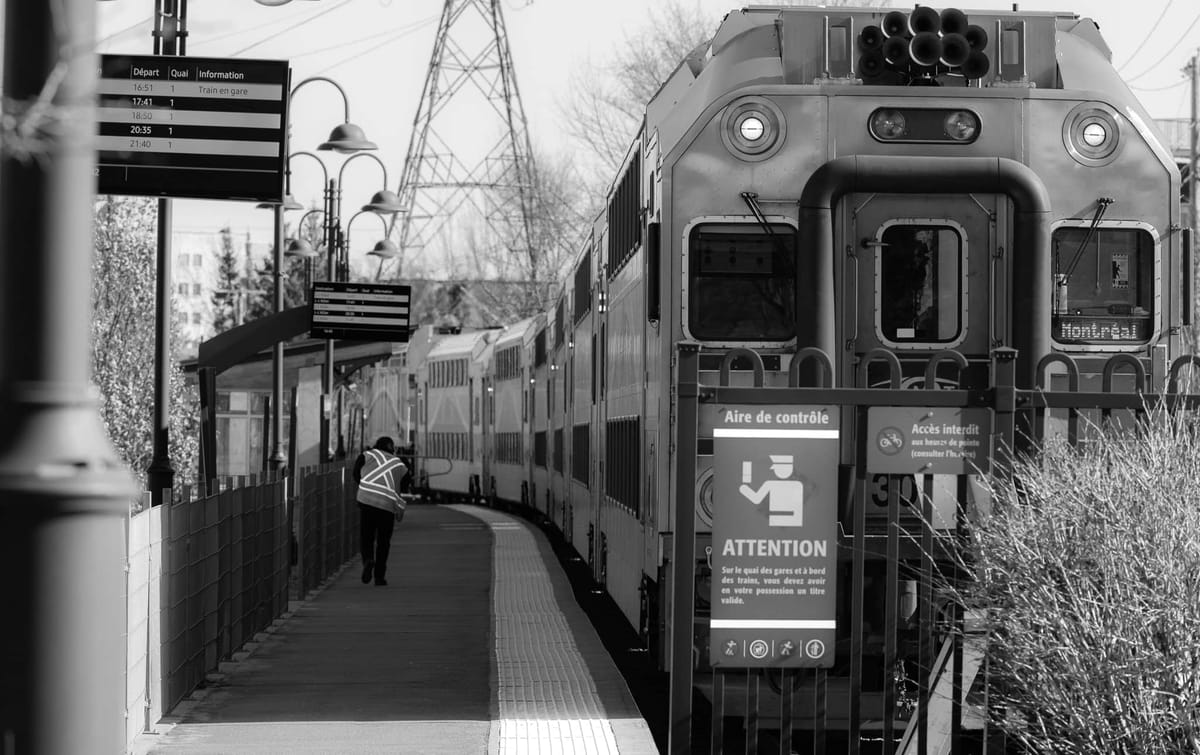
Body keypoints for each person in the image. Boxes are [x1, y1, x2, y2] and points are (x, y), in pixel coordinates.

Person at [355, 436, 407, 586]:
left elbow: (355, 475)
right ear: (393, 449)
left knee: (367, 537)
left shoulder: (367, 455)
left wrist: (365, 485)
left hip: (366, 503)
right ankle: (379, 577)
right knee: (384, 542)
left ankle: (368, 560)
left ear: (376, 446)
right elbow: (405, 483)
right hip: (387, 507)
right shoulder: (398, 463)